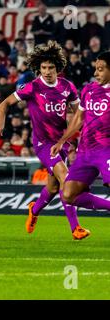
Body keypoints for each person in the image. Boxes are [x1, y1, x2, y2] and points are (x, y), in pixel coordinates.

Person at [0, 41, 90, 240]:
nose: (46, 71)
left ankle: (34, 210)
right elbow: (4, 103)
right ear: (39, 68)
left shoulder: (67, 87)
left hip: (61, 142)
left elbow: (79, 114)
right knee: (66, 177)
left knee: (53, 188)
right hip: (43, 144)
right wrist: (0, 118)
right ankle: (76, 228)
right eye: (43, 68)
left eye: (50, 68)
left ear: (57, 68)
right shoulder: (32, 87)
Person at [51, 51, 110, 215]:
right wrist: (61, 140)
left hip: (106, 150)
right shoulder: (89, 90)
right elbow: (78, 119)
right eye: (96, 69)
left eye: (101, 69)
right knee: (68, 195)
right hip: (85, 152)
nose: (95, 73)